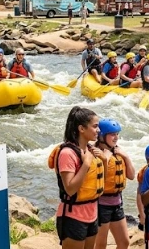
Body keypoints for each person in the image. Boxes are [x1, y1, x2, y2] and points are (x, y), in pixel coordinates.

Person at [48, 106, 106, 248]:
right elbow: (70, 189)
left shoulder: (91, 150)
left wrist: (104, 161)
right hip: (73, 216)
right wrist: (86, 163)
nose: (98, 130)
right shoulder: (67, 153)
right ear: (81, 129)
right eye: (95, 126)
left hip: (92, 213)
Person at [94, 119, 136, 249]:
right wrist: (105, 158)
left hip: (117, 203)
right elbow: (97, 179)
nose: (116, 137)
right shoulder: (95, 153)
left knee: (124, 243)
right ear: (102, 136)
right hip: (101, 205)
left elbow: (131, 175)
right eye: (112, 134)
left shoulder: (118, 151)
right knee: (101, 245)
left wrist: (126, 157)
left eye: (117, 134)